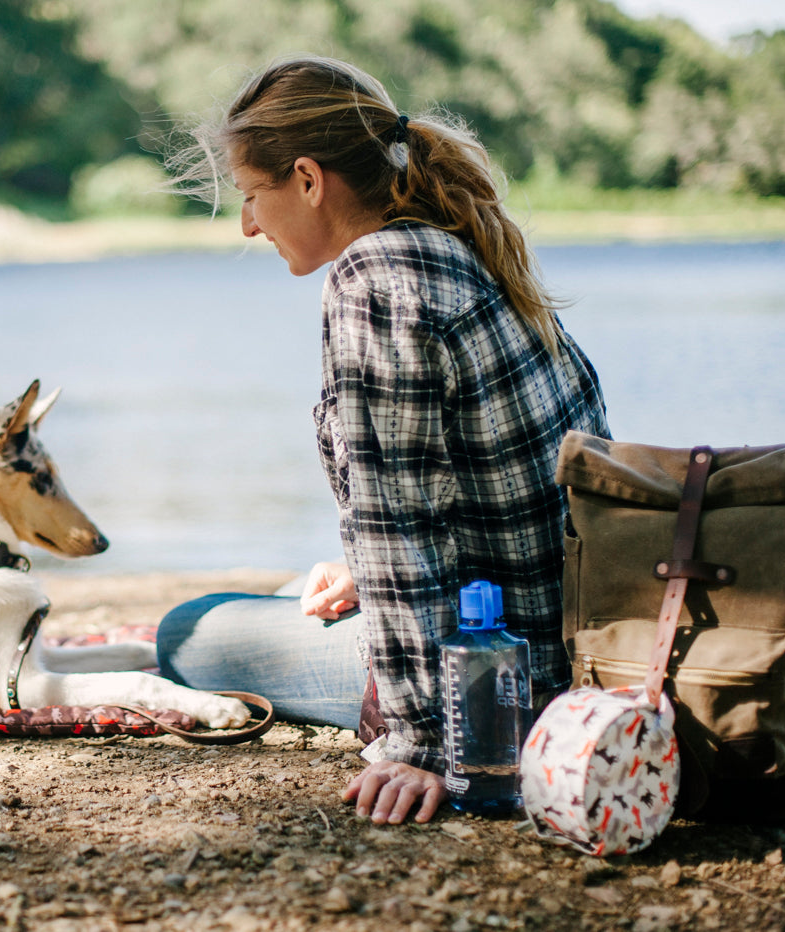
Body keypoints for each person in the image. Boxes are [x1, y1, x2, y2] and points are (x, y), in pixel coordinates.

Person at [156, 57, 609, 825]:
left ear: (306, 178)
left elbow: (394, 519)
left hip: (497, 676)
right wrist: (365, 573)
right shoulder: (456, 247)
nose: (248, 225)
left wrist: (425, 741)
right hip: (557, 630)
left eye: (250, 197)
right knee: (284, 601)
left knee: (188, 634)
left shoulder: (375, 278)